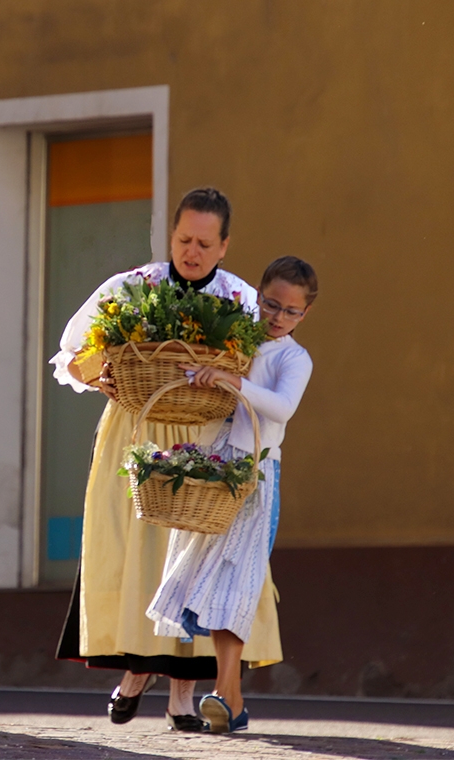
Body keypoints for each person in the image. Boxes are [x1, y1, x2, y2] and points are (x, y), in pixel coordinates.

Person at [52, 188, 282, 731]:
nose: (192, 252)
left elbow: (264, 374)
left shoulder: (241, 301)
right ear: (170, 236)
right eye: (184, 240)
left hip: (207, 434)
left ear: (225, 246)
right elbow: (73, 356)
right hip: (136, 430)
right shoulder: (132, 289)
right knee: (136, 553)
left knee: (194, 558)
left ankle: (182, 694)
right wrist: (101, 369)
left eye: (205, 243)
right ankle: (134, 672)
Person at [147, 255, 318, 734]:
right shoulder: (235, 339)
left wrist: (231, 380)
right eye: (270, 304)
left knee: (236, 580)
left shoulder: (294, 358)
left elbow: (282, 409)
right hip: (213, 465)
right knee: (208, 580)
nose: (277, 317)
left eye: (291, 312)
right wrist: (201, 372)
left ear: (305, 315)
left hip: (255, 472)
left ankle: (228, 693)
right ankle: (230, 699)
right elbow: (198, 383)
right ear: (257, 295)